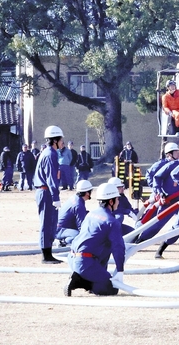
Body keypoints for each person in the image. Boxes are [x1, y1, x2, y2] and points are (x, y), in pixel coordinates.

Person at [65, 182, 125, 297]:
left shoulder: (90, 214)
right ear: (111, 201)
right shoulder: (111, 222)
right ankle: (79, 281)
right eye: (117, 199)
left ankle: (82, 276)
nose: (119, 202)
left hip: (72, 258)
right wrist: (120, 270)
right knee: (111, 289)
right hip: (85, 262)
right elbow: (118, 248)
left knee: (105, 243)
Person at [33, 125, 65, 264]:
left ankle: (48, 253)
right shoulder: (50, 154)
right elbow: (51, 178)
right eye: (61, 139)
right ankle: (46, 255)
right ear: (54, 140)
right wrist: (55, 197)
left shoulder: (50, 152)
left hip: (46, 191)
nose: (63, 142)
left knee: (51, 223)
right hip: (46, 192)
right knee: (47, 223)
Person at [56, 180, 93, 246]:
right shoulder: (78, 205)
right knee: (81, 235)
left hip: (59, 228)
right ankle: (63, 242)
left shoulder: (75, 198)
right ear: (87, 193)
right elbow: (81, 227)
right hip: (61, 231)